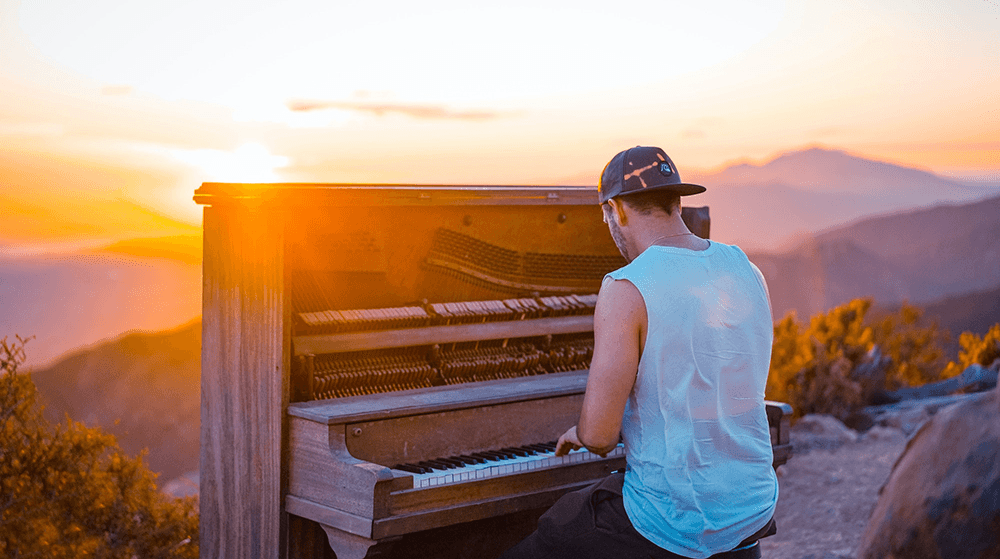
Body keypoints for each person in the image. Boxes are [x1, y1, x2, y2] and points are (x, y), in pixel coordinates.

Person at [501, 146, 778, 559]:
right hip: (751, 506)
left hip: (675, 522)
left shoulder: (627, 287)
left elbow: (599, 436)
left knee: (537, 541)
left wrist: (577, 433)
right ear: (676, 201)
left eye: (606, 216)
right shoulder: (745, 268)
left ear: (616, 210)